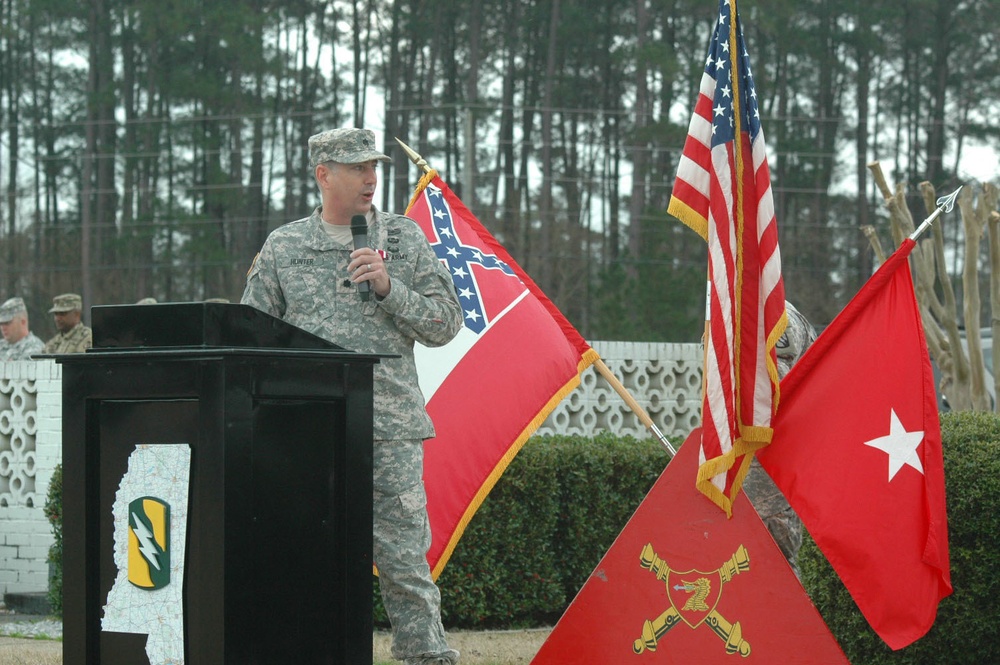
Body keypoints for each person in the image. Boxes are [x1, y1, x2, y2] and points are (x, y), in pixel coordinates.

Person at [241, 128, 463, 665]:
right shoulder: (285, 246)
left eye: (374, 167)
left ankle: (424, 655)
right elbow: (249, 336)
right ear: (324, 175)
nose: (371, 179)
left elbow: (446, 323)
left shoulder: (404, 239)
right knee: (303, 550)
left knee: (404, 557)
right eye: (357, 167)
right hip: (305, 429)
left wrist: (390, 288)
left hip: (388, 427)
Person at [743, 301, 818, 578]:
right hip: (730, 463)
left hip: (770, 463)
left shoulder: (780, 317)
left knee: (774, 564)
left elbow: (782, 389)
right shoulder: (725, 312)